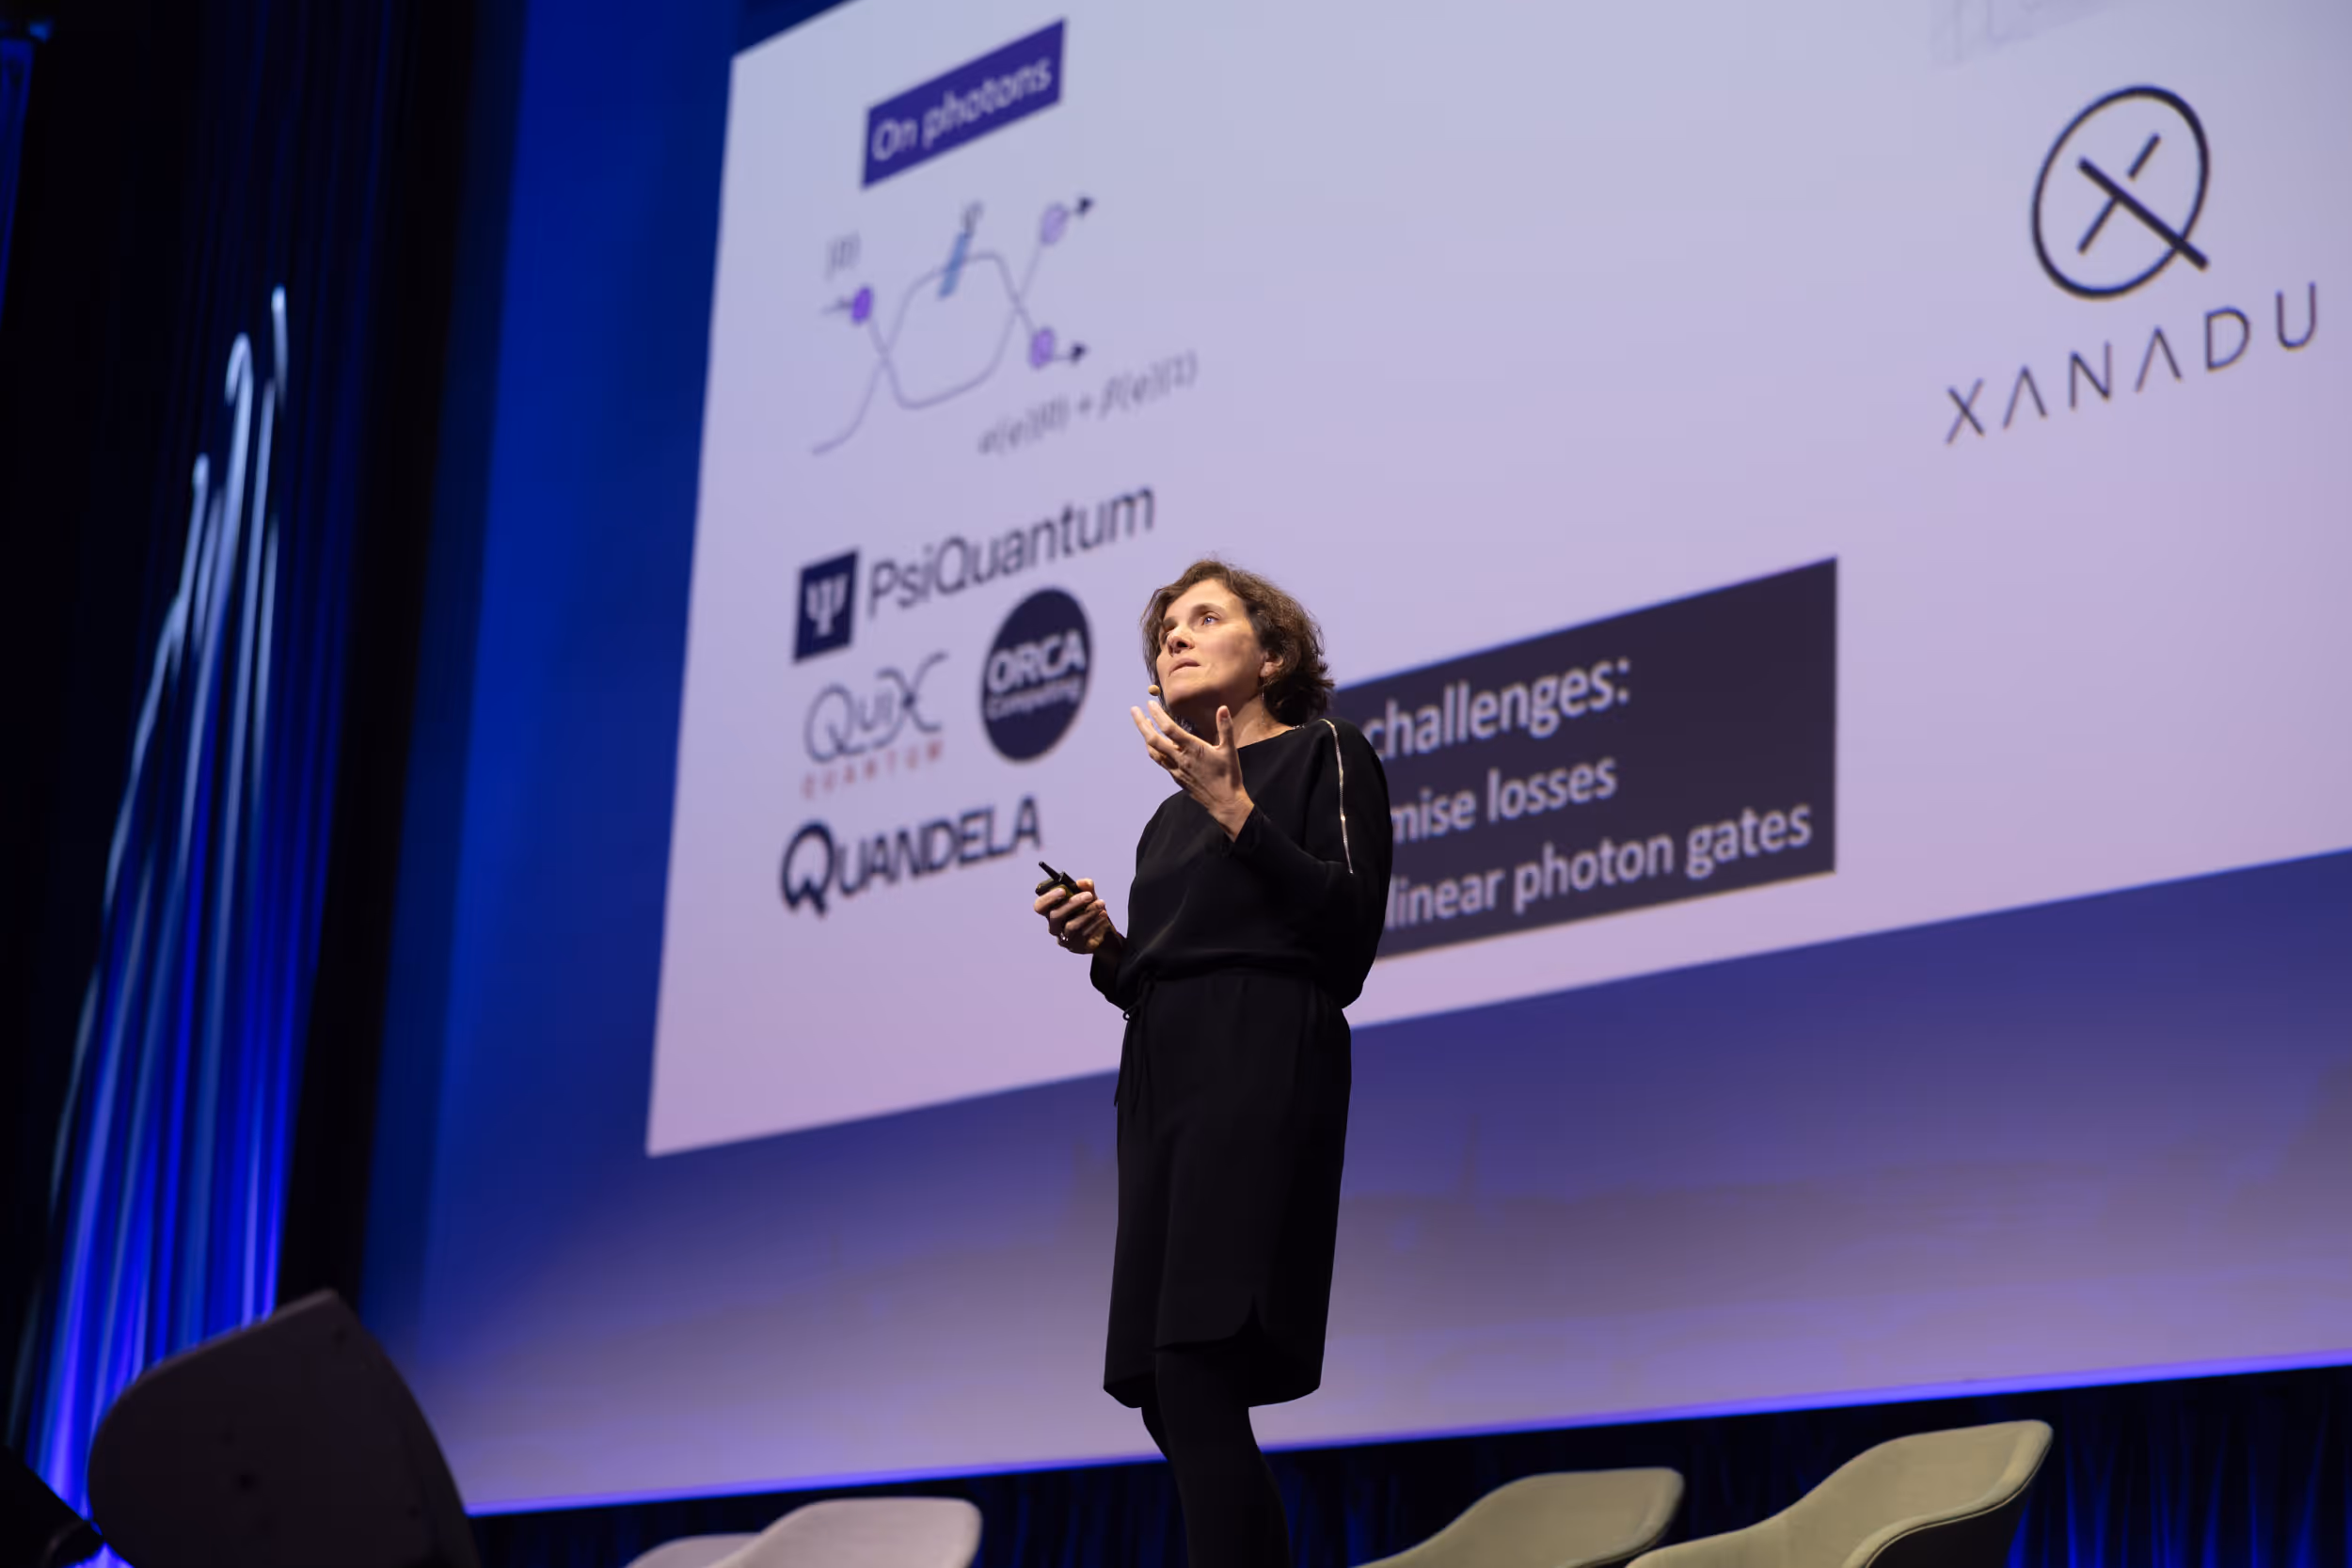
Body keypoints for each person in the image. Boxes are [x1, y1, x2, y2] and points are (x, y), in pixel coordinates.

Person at [1033, 558, 1392, 1568]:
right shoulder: (1165, 818)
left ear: (1271, 655)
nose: (1175, 638)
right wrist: (1105, 943)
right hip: (1162, 1081)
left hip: (1259, 1062)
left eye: (1204, 617)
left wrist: (1241, 813)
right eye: (1165, 630)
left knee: (1196, 1359)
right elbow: (1159, 973)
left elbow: (1347, 933)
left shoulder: (1326, 750)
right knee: (1161, 1380)